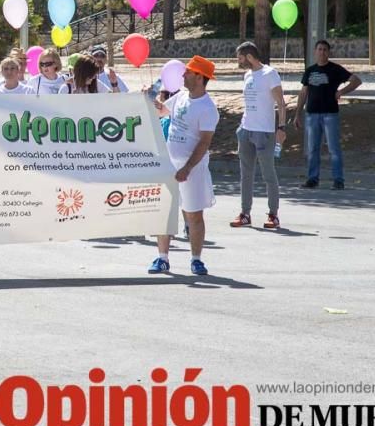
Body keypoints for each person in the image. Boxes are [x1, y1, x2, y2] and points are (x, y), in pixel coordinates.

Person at [149, 57, 219, 275]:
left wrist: (187, 168)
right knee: (164, 212)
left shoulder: (208, 108)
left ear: (199, 77)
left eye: (188, 72)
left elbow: (204, 142)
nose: (183, 75)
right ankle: (162, 258)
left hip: (191, 170)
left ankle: (196, 259)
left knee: (193, 214)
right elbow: (162, 111)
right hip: (169, 165)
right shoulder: (180, 96)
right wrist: (150, 100)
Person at [230, 41, 287, 230]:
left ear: (249, 57)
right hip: (246, 129)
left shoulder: (270, 74)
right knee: (246, 174)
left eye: (240, 57)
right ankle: (245, 214)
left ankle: (274, 215)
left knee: (268, 174)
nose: (238, 61)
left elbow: (281, 103)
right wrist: (242, 127)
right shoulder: (247, 75)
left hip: (265, 132)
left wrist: (281, 127)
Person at [294, 40, 362, 190]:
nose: (322, 52)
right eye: (319, 49)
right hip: (312, 115)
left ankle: (338, 180)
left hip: (330, 114)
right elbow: (304, 92)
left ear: (328, 52)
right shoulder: (310, 71)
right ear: (315, 52)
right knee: (313, 148)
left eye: (325, 50)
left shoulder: (335, 69)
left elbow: (356, 81)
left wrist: (341, 92)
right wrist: (298, 113)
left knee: (333, 149)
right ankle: (312, 179)